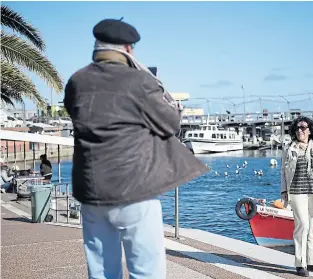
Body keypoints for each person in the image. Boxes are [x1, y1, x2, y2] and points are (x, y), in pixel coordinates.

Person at [64, 18, 209, 279]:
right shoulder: (139, 81)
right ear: (128, 49)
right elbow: (171, 123)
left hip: (91, 192)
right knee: (146, 272)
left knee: (102, 273)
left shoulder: (77, 81)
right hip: (134, 190)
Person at [280, 116, 313, 277]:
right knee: (302, 225)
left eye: (303, 127)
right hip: (296, 191)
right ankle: (300, 263)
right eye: (297, 128)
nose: (300, 130)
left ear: (310, 130)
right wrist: (283, 191)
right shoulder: (288, 147)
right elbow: (283, 171)